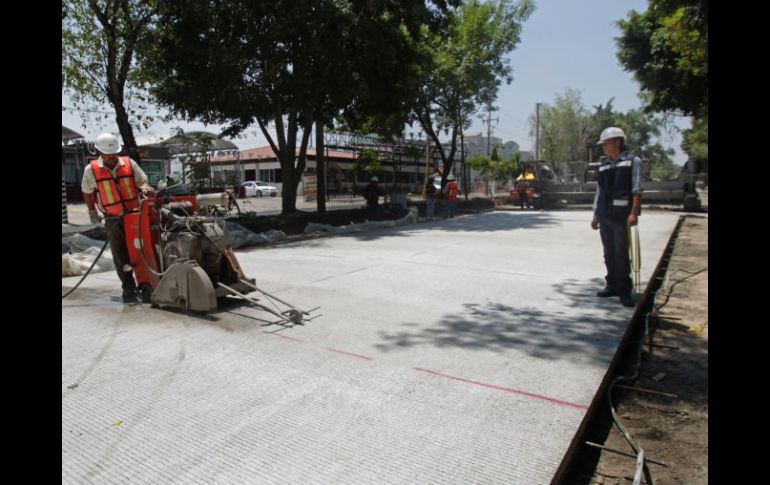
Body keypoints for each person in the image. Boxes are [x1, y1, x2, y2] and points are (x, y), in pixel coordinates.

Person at [81, 133, 155, 303]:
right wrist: (92, 212)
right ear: (99, 151)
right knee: (120, 255)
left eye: (114, 153)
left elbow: (143, 181)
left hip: (135, 215)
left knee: (142, 250)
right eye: (107, 154)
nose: (111, 157)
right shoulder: (91, 170)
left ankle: (148, 282)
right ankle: (128, 288)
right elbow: (87, 191)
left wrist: (145, 188)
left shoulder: (129, 164)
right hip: (112, 218)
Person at [590, 127, 643, 308]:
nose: (603, 146)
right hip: (605, 215)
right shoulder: (604, 165)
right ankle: (611, 285)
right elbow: (599, 191)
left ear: (617, 142)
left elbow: (636, 188)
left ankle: (624, 291)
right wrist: (596, 214)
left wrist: (634, 212)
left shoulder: (632, 161)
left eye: (606, 142)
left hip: (622, 216)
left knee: (621, 254)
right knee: (608, 253)